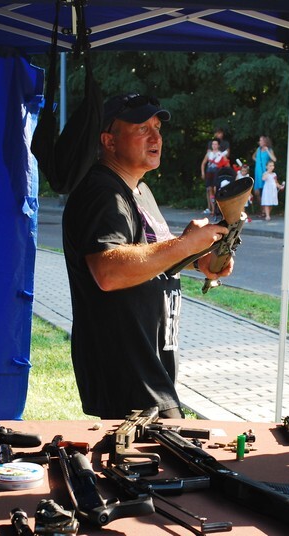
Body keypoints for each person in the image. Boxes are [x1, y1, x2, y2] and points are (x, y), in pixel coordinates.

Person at [62, 93, 234, 419]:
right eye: (142, 128)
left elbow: (155, 255)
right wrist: (185, 244)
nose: (156, 137)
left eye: (157, 127)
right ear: (108, 141)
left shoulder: (139, 190)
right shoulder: (102, 192)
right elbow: (108, 271)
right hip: (127, 370)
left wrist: (200, 258)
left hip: (150, 364)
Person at [200, 139, 228, 216]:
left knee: (216, 189)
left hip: (217, 173)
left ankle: (217, 208)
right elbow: (203, 163)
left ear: (218, 145)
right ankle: (212, 209)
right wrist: (203, 173)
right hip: (209, 172)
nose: (214, 146)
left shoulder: (221, 154)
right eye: (213, 144)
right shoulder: (209, 153)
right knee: (210, 189)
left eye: (215, 144)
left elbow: (227, 165)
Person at [252, 135, 276, 212]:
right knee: (256, 192)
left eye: (262, 140)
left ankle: (265, 211)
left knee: (265, 192)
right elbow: (253, 157)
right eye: (260, 140)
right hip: (258, 173)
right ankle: (262, 208)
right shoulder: (258, 149)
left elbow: (274, 159)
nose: (260, 142)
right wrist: (258, 162)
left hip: (265, 173)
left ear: (266, 142)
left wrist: (267, 151)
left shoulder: (269, 150)